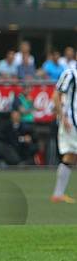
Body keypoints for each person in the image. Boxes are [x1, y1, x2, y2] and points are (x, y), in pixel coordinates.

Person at [50, 68, 76, 203]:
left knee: (71, 157)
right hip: (71, 122)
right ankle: (58, 194)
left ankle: (58, 194)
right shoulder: (71, 73)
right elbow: (56, 95)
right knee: (70, 155)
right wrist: (62, 117)